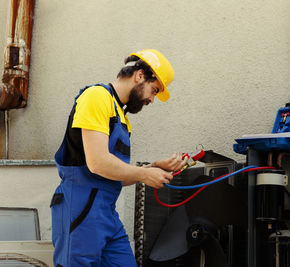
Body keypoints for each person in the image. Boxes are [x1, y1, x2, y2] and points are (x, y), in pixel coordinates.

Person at [50, 49, 188, 267]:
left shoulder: (121, 116)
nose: (152, 99)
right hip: (80, 207)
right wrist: (144, 174)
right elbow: (98, 163)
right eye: (154, 91)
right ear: (140, 75)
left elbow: (115, 175)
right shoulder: (96, 97)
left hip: (106, 213)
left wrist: (153, 168)